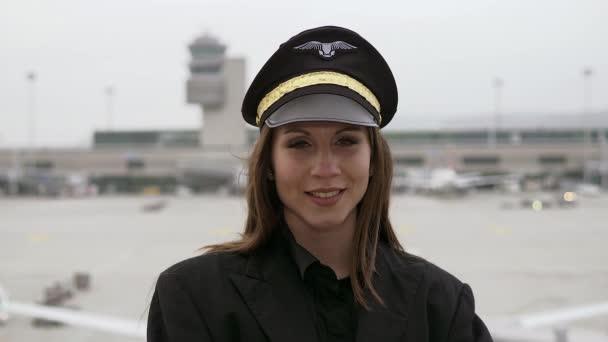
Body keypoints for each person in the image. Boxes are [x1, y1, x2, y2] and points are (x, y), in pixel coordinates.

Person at [147, 26, 493, 342]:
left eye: (346, 141)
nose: (325, 169)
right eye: (300, 144)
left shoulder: (442, 305)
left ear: (373, 160)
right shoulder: (193, 296)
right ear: (269, 164)